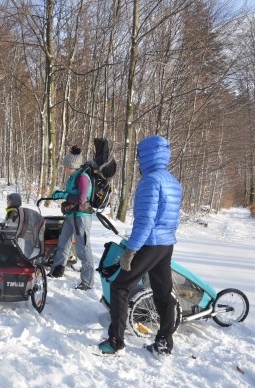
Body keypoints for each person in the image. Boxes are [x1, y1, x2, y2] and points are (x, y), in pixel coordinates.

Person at [98, 135, 183, 356]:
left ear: (147, 155)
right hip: (166, 245)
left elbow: (145, 221)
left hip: (150, 243)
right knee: (163, 293)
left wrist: (131, 250)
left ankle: (116, 340)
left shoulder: (151, 181)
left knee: (120, 286)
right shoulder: (172, 181)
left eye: (138, 156)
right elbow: (172, 218)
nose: (137, 161)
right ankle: (164, 342)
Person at [48, 145, 95, 292]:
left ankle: (87, 282)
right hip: (71, 215)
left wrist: (64, 196)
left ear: (73, 166)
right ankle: (57, 270)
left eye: (67, 167)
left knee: (82, 248)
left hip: (81, 217)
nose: (65, 169)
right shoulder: (73, 177)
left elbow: (81, 199)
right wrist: (61, 194)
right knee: (63, 243)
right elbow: (70, 194)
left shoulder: (83, 177)